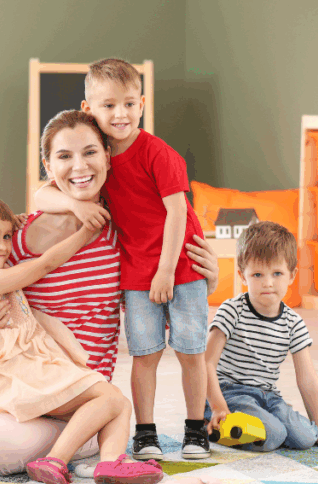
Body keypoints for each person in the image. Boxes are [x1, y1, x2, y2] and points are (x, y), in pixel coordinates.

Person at [0, 111, 221, 475]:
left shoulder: (122, 234)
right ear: (48, 166)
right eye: (64, 156)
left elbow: (167, 280)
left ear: (107, 157)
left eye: (90, 152)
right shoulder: (14, 236)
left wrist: (203, 278)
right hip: (7, 381)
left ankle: (71, 444)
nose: (79, 166)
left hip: (76, 400)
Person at [34, 58, 211, 460]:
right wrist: (76, 206)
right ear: (88, 109)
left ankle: (195, 428)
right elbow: (40, 194)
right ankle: (145, 432)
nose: (121, 114)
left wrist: (166, 270)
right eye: (109, 105)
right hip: (136, 274)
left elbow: (177, 213)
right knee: (145, 354)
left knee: (190, 352)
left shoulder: (158, 153)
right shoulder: (97, 157)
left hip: (180, 268)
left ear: (142, 104)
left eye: (130, 104)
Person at [0, 192, 164, 484]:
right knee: (113, 399)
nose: (3, 246)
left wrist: (8, 224)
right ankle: (63, 460)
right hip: (28, 370)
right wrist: (85, 233)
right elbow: (45, 264)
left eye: (6, 236)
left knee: (111, 401)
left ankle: (107, 462)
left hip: (20, 372)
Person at [205, 221, 318, 451]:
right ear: (243, 276)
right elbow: (206, 363)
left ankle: (246, 428)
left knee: (306, 437)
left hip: (267, 395)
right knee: (274, 435)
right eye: (257, 274)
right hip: (230, 392)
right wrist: (218, 406)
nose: (268, 283)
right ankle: (211, 423)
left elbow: (307, 379)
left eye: (277, 273)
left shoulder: (293, 323)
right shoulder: (232, 310)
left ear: (292, 275)